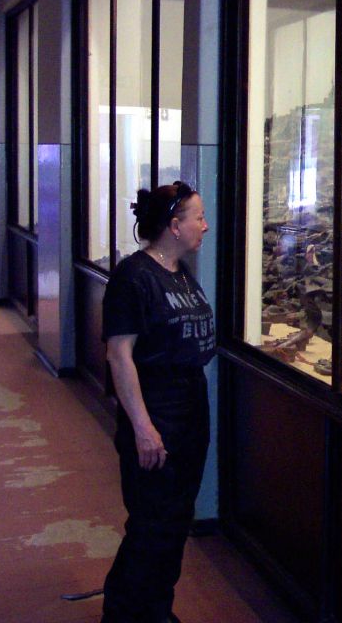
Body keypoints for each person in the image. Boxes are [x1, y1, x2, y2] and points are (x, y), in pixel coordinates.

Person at [100, 181, 214, 623]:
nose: (205, 225)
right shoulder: (134, 277)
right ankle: (125, 613)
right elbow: (119, 355)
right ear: (174, 226)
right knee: (151, 523)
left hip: (189, 409)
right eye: (198, 217)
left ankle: (155, 610)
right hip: (155, 408)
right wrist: (144, 428)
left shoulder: (180, 272)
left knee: (175, 520)